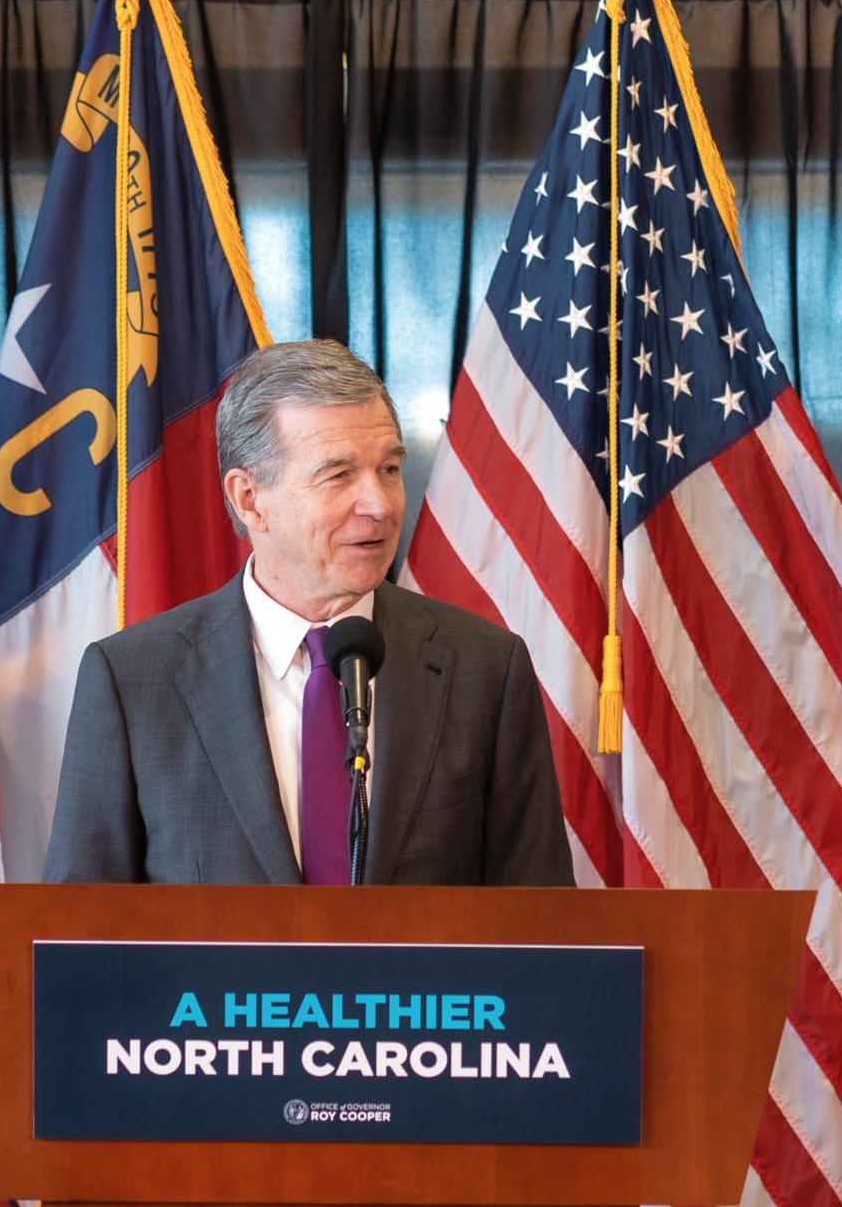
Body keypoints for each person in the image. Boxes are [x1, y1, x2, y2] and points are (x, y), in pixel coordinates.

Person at [43, 339, 574, 886]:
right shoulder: (133, 680)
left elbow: (541, 925)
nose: (381, 504)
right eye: (339, 476)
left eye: (390, 469)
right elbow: (81, 931)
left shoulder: (485, 668)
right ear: (249, 499)